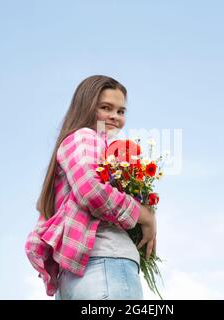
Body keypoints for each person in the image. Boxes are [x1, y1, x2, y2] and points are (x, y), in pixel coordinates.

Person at [25, 75, 157, 300]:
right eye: (106, 108)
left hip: (79, 273)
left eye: (121, 111)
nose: (115, 117)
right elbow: (91, 191)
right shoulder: (86, 136)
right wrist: (144, 215)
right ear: (86, 107)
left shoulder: (80, 146)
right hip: (105, 263)